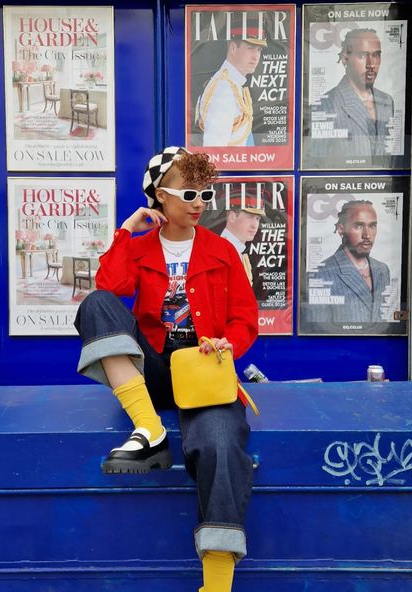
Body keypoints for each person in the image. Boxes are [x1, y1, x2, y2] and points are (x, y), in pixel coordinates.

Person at [74, 146, 258, 592]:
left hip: (205, 372)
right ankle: (149, 430)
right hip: (156, 369)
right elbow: (111, 287)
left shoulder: (221, 252)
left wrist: (227, 344)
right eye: (189, 192)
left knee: (220, 445)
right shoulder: (139, 249)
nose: (199, 203)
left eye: (206, 195)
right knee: (96, 305)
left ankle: (217, 585)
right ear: (160, 195)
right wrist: (125, 231)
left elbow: (244, 317)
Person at [309, 28, 394, 163]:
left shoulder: (387, 101)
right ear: (344, 59)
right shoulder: (324, 106)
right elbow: (316, 166)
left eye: (376, 55)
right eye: (362, 56)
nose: (371, 64)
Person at [305, 200, 391, 324]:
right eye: (359, 226)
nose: (367, 235)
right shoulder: (320, 274)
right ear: (341, 229)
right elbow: (318, 331)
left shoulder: (382, 269)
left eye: (372, 226)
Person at [195, 17, 266, 147]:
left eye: (259, 50)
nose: (256, 56)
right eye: (250, 48)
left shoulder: (232, 84)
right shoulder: (224, 90)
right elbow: (215, 149)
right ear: (233, 48)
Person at [220, 194, 264, 284]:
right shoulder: (221, 251)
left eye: (257, 218)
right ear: (232, 217)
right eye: (250, 217)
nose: (255, 225)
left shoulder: (237, 250)